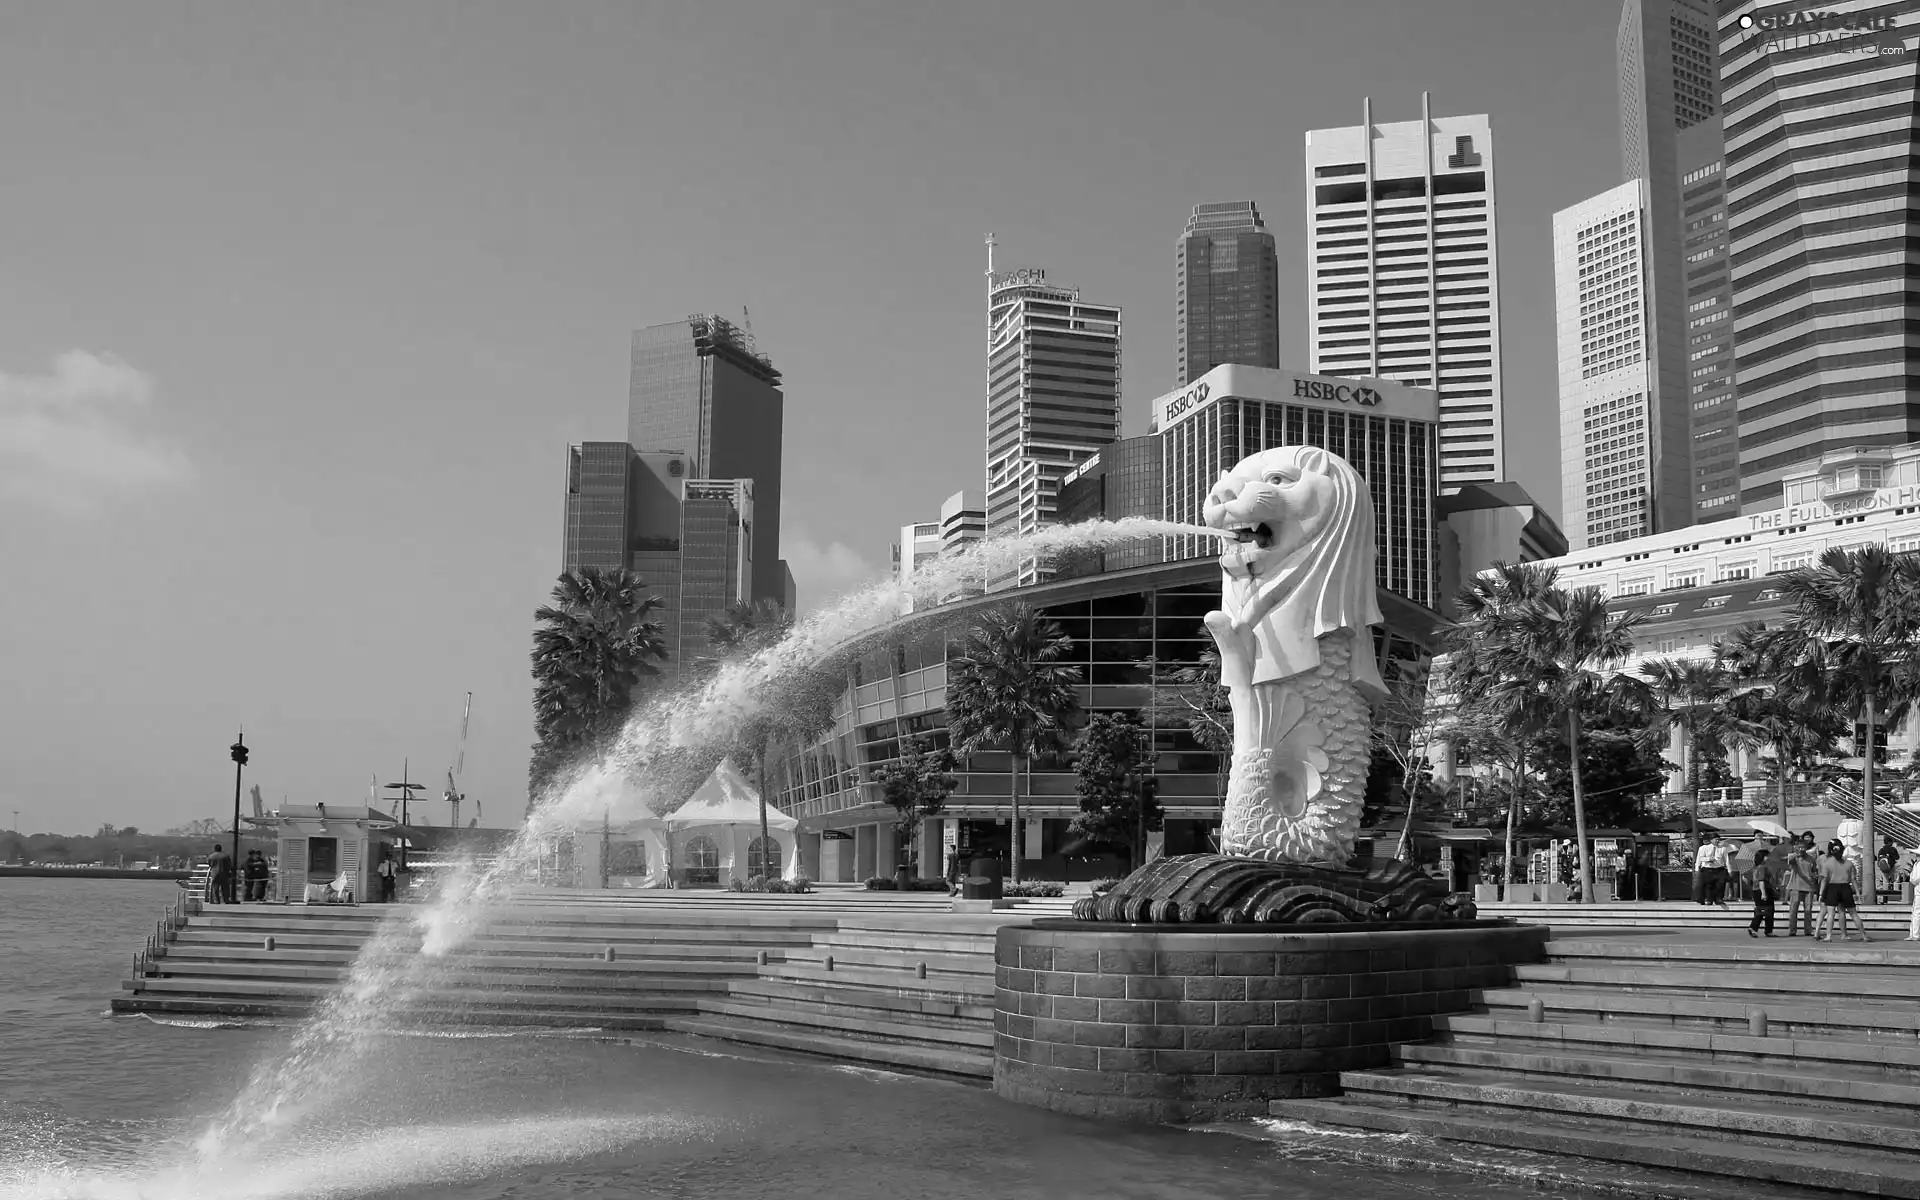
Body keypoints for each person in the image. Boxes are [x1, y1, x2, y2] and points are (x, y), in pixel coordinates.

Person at [1817, 838, 1870, 942]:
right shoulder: (1849, 864)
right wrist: (1858, 893)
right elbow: (1853, 880)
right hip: (1845, 887)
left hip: (1832, 887)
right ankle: (1863, 935)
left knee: (1831, 913)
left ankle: (1828, 936)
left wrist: (1820, 893)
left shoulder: (1827, 863)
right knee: (1853, 913)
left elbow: (1824, 879)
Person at [1783, 833, 1819, 937]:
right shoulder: (1793, 857)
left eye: (1803, 847)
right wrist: (1798, 852)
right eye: (1799, 847)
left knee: (1808, 910)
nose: (1801, 849)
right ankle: (1792, 929)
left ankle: (1808, 929)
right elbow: (1789, 860)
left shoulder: (1811, 859)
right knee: (1793, 909)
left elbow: (1814, 871)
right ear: (1796, 847)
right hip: (1796, 886)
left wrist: (1815, 876)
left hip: (1809, 887)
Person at [1696, 832, 1731, 908]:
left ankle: (1719, 898)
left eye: (1718, 839)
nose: (1717, 841)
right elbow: (1700, 858)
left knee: (1720, 884)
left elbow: (1726, 860)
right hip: (1708, 869)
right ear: (1711, 840)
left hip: (1719, 869)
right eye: (1716, 839)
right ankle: (1709, 899)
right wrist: (1708, 859)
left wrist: (1729, 870)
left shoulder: (1723, 849)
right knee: (1709, 885)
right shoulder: (1703, 848)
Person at [1747, 848, 1777, 938]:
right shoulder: (1762, 868)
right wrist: (1764, 893)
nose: (1768, 858)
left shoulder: (1755, 868)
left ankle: (1755, 928)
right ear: (1763, 857)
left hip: (1756, 890)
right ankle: (1765, 930)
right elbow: (1761, 881)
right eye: (1767, 856)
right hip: (1762, 890)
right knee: (1768, 910)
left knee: (1761, 910)